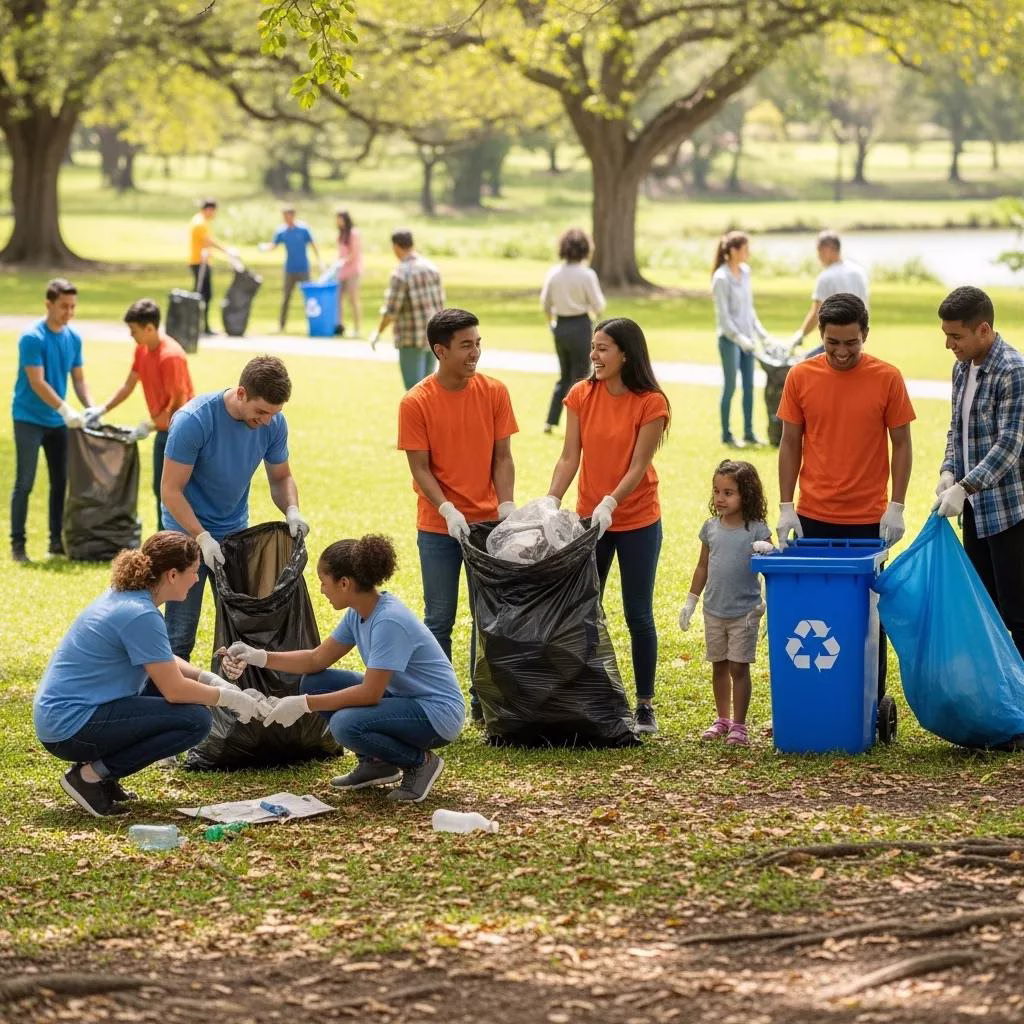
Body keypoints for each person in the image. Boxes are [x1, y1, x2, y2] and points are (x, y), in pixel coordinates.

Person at [32, 532, 263, 817]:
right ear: (172, 575)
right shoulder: (140, 614)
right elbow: (175, 690)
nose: (196, 579)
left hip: (64, 716)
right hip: (71, 727)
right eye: (193, 572)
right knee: (196, 721)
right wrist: (230, 699)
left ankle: (102, 777)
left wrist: (208, 678)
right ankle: (89, 777)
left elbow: (161, 658)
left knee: (174, 695)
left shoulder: (130, 599)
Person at [222, 535, 466, 803]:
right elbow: (316, 659)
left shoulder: (388, 621)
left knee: (345, 724)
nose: (321, 590)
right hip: (404, 699)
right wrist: (258, 656)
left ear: (345, 583)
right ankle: (377, 763)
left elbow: (369, 694)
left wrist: (303, 704)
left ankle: (420, 763)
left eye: (323, 582)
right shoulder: (359, 612)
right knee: (315, 682)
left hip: (436, 714)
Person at [776, 292, 915, 701]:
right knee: (814, 610)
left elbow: (902, 444)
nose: (841, 352)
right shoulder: (800, 376)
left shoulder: (887, 377)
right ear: (820, 334)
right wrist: (786, 506)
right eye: (832, 342)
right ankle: (817, 696)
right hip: (813, 516)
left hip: (869, 519)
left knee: (870, 615)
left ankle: (869, 703)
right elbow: (789, 442)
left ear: (865, 334)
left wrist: (897, 505)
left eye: (851, 342)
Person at [546, 317, 671, 735]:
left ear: (626, 354)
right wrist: (552, 500)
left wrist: (611, 502)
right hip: (589, 521)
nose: (594, 355)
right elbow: (570, 457)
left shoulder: (651, 402)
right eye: (593, 347)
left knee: (638, 613)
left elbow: (638, 465)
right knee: (584, 610)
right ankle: (587, 696)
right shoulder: (581, 395)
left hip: (637, 519)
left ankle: (645, 705)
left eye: (603, 348)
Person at [397, 308, 517, 719]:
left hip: (488, 525)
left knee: (488, 618)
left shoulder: (495, 392)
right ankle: (441, 700)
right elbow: (420, 468)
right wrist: (447, 509)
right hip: (438, 527)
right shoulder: (416, 402)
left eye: (478, 343)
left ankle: (483, 701)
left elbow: (503, 457)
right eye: (466, 345)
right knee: (439, 618)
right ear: (440, 350)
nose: (475, 352)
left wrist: (506, 506)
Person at [160, 355, 309, 661]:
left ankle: (232, 690)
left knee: (240, 629)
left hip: (234, 534)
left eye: (274, 413)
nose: (266, 421)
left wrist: (292, 510)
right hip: (186, 535)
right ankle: (169, 690)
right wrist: (201, 537)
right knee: (179, 634)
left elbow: (281, 477)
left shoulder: (273, 423)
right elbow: (170, 491)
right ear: (241, 393)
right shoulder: (194, 421)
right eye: (261, 412)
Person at [933, 286, 1024, 658]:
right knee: (984, 611)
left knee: (1018, 614)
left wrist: (965, 486)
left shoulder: (1013, 371)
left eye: (955, 336)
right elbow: (957, 429)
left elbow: (1010, 444)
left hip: (1009, 515)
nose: (948, 345)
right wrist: (948, 471)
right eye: (946, 335)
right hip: (974, 511)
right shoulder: (961, 367)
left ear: (983, 330)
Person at [679, 460, 774, 748]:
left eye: (728, 493)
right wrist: (691, 601)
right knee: (719, 665)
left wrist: (769, 552)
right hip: (713, 610)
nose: (720, 498)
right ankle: (723, 719)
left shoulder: (757, 530)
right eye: (717, 491)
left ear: (747, 494)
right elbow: (702, 567)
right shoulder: (710, 528)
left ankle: (740, 725)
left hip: (745, 613)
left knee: (738, 668)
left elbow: (773, 566)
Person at [84, 299, 195, 529]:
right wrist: (102, 409)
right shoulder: (142, 349)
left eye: (134, 331)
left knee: (173, 492)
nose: (131, 335)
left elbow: (179, 407)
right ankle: (165, 540)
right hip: (164, 430)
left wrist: (149, 426)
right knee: (160, 489)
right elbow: (128, 385)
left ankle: (177, 541)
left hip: (181, 432)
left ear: (150, 328)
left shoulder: (171, 357)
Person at [10, 278, 98, 563]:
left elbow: (79, 379)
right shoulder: (32, 337)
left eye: (73, 307)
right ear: (48, 304)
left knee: (61, 482)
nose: (69, 312)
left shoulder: (73, 338)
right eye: (63, 306)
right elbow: (37, 382)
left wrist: (91, 408)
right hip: (28, 418)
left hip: (58, 421)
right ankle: (18, 545)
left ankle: (56, 543)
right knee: (25, 482)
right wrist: (65, 410)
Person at [540, 227, 607, 435]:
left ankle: (551, 420)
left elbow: (545, 304)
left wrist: (552, 324)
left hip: (560, 325)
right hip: (580, 325)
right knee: (582, 376)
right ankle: (581, 420)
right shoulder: (587, 275)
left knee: (564, 376)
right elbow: (598, 305)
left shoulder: (554, 273)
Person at [711, 230, 768, 448]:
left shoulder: (745, 272)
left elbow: (748, 309)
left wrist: (760, 333)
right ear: (733, 251)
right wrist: (739, 338)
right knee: (730, 386)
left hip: (748, 340)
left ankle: (749, 433)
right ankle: (726, 434)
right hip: (730, 340)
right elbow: (724, 317)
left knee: (749, 386)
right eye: (745, 249)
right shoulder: (721, 278)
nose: (748, 253)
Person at [368, 230, 445, 390]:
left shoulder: (401, 273)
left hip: (411, 339)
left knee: (414, 391)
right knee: (430, 390)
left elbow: (391, 311)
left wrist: (378, 332)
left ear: (396, 247)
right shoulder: (431, 268)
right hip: (433, 338)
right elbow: (440, 304)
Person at [790, 231, 870, 350]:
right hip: (857, 341)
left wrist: (800, 335)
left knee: (804, 361)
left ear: (827, 250)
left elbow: (816, 313)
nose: (818, 256)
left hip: (835, 343)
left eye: (819, 251)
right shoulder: (859, 272)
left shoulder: (826, 277)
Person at [259, 206, 321, 332]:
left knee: (308, 298)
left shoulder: (303, 230)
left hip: (303, 269)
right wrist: (264, 248)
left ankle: (313, 325)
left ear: (293, 216)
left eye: (287, 216)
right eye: (284, 216)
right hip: (289, 269)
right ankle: (281, 326)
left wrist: (319, 260)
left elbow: (313, 244)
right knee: (286, 298)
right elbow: (274, 245)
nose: (285, 219)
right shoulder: (282, 231)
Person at [188, 199, 234, 336]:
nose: (214, 214)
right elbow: (208, 241)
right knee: (203, 295)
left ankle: (201, 325)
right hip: (200, 263)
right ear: (209, 209)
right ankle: (200, 326)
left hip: (202, 262)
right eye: (214, 211)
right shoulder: (200, 223)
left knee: (203, 295)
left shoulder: (201, 221)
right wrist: (226, 250)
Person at [335, 209, 363, 337]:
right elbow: (341, 253)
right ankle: (340, 326)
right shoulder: (340, 235)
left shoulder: (353, 233)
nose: (338, 221)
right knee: (338, 299)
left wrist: (344, 261)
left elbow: (354, 253)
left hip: (353, 271)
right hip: (341, 272)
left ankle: (357, 329)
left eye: (340, 219)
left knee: (353, 299)